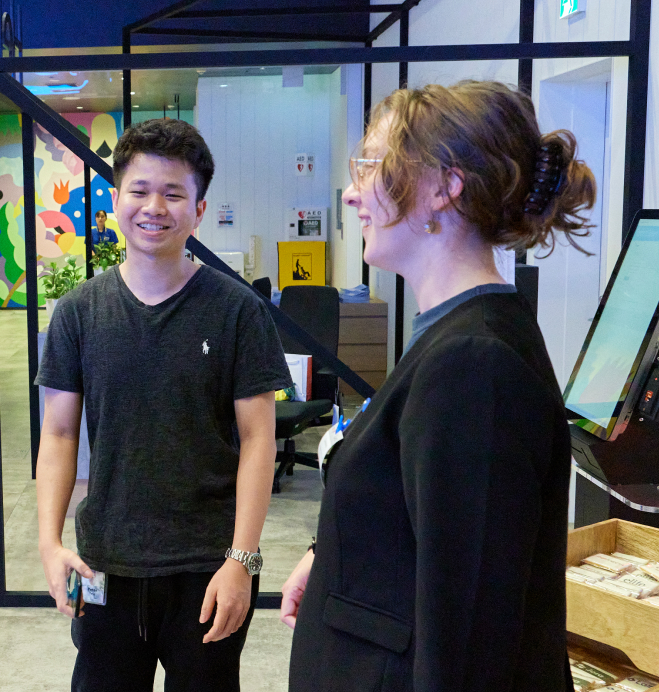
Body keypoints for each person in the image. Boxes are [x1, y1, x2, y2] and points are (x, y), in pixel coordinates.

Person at [281, 81, 596, 690]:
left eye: (369, 165)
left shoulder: (474, 364)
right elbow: (421, 525)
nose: (351, 193)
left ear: (443, 187)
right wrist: (331, 559)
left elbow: (471, 634)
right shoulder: (452, 335)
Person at [36, 118, 293, 691]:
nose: (155, 206)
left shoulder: (237, 312)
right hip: (107, 562)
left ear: (199, 210)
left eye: (174, 193)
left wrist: (241, 561)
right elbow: (57, 435)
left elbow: (257, 439)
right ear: (115, 198)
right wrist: (49, 544)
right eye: (140, 190)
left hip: (207, 565)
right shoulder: (79, 313)